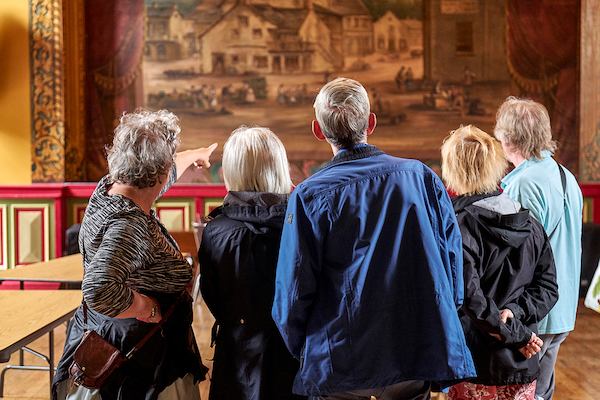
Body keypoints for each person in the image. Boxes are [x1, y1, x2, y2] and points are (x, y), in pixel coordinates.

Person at [272, 77, 476, 400]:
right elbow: (453, 270)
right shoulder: (421, 178)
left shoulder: (309, 196)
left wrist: (308, 350)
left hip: (340, 363)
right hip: (413, 352)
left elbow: (293, 296)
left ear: (318, 130)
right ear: (371, 122)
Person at [52, 110, 217, 399]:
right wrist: (146, 308)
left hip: (111, 338)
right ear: (158, 169)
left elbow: (160, 173)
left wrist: (193, 154)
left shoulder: (110, 188)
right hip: (136, 364)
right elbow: (99, 288)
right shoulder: (129, 224)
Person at [440, 125, 559, 400]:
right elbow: (549, 289)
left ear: (454, 170)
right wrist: (515, 315)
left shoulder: (459, 227)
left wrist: (514, 330)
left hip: (474, 363)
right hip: (522, 362)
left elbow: (470, 300)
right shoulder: (531, 223)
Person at [198, 126, 304, 400]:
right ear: (279, 166)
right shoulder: (302, 225)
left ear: (233, 169)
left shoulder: (216, 230)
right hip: (297, 357)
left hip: (238, 355)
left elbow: (212, 296)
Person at [494, 97, 583, 400]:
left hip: (535, 312)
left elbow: (519, 259)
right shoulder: (565, 175)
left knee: (525, 394)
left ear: (508, 137)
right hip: (562, 307)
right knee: (542, 391)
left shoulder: (524, 184)